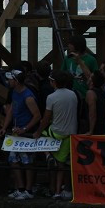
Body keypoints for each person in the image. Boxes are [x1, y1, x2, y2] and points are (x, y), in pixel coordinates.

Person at [34, 70, 78, 200]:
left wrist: (37, 131)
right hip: (70, 134)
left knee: (41, 135)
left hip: (55, 132)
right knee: (62, 165)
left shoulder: (51, 97)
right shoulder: (73, 95)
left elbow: (46, 118)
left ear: (54, 82)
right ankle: (58, 191)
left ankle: (48, 156)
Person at [0, 70, 41, 200]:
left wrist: (25, 128)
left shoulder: (28, 96)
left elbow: (37, 115)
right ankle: (20, 188)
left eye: (10, 79)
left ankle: (28, 190)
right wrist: (4, 127)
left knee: (27, 162)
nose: (8, 81)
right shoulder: (14, 93)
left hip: (25, 133)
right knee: (14, 161)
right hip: (16, 132)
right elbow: (10, 111)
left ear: (16, 81)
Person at [62, 34, 98, 99]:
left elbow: (95, 80)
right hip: (71, 96)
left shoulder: (91, 60)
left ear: (77, 45)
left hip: (85, 96)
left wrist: (80, 62)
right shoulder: (67, 58)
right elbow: (62, 75)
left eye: (70, 44)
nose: (68, 45)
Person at [85, 70, 105, 135]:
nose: (88, 78)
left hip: (96, 130)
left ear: (92, 82)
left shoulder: (91, 93)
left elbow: (92, 114)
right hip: (103, 128)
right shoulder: (102, 92)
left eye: (90, 77)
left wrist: (91, 131)